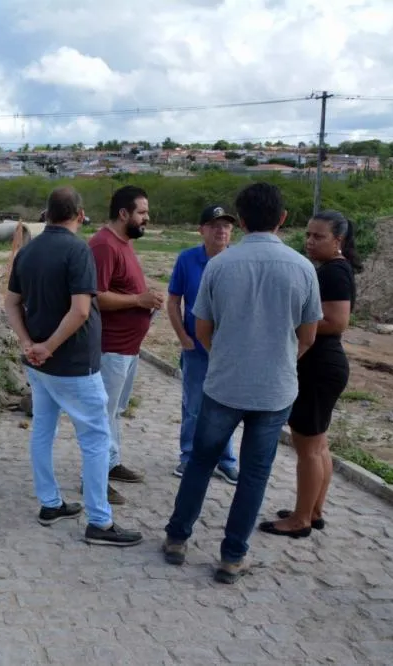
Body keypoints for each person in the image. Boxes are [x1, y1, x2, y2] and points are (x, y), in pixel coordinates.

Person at [162, 182, 321, 584]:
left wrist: (227, 358)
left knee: (200, 461)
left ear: (242, 220)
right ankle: (233, 557)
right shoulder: (303, 268)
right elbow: (308, 336)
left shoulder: (219, 266)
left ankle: (177, 539)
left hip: (224, 386)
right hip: (274, 391)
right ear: (283, 219)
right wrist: (279, 360)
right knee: (254, 474)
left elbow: (203, 328)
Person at [5, 186, 143, 547]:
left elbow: (10, 303)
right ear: (80, 214)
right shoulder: (78, 250)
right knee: (96, 439)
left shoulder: (28, 251)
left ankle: (50, 504)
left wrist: (28, 344)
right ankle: (100, 521)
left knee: (43, 431)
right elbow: (81, 310)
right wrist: (48, 347)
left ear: (46, 214)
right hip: (73, 365)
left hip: (39, 365)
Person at [259, 210, 360, 538]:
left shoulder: (335, 273)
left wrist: (289, 321)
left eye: (319, 237)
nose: (310, 242)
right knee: (318, 445)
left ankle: (301, 519)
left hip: (319, 367)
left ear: (338, 240)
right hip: (323, 366)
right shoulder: (330, 269)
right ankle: (313, 509)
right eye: (308, 235)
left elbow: (336, 322)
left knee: (308, 447)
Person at [88, 185, 165, 504]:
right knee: (101, 414)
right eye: (142, 212)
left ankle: (111, 462)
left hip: (128, 348)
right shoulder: (104, 245)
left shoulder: (124, 243)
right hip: (111, 347)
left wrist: (146, 300)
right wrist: (138, 299)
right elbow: (94, 296)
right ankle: (92, 479)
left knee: (114, 410)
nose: (147, 218)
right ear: (124, 214)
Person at [166, 206, 240, 483]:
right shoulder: (188, 260)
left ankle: (225, 459)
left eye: (226, 226)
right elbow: (173, 301)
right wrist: (182, 338)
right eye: (214, 225)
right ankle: (189, 456)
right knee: (194, 405)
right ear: (202, 230)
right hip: (195, 349)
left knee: (226, 407)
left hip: (227, 351)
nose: (221, 230)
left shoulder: (237, 260)